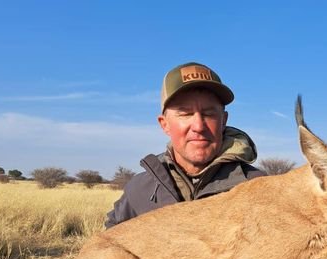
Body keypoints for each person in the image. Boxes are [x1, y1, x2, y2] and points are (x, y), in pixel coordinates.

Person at [105, 62, 265, 228]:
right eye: (185, 114)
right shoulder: (139, 189)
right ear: (164, 124)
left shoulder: (257, 188)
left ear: (223, 121)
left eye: (209, 114)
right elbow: (108, 243)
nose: (198, 126)